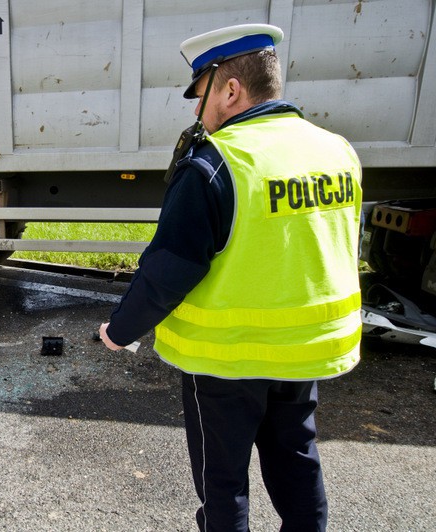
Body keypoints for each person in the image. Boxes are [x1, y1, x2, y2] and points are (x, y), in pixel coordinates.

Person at [98, 24, 363, 531]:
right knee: (298, 463)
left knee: (224, 484)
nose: (198, 113)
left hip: (225, 362)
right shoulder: (337, 151)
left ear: (231, 90)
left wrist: (120, 330)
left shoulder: (217, 164)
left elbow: (169, 269)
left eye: (200, 98)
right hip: (304, 353)